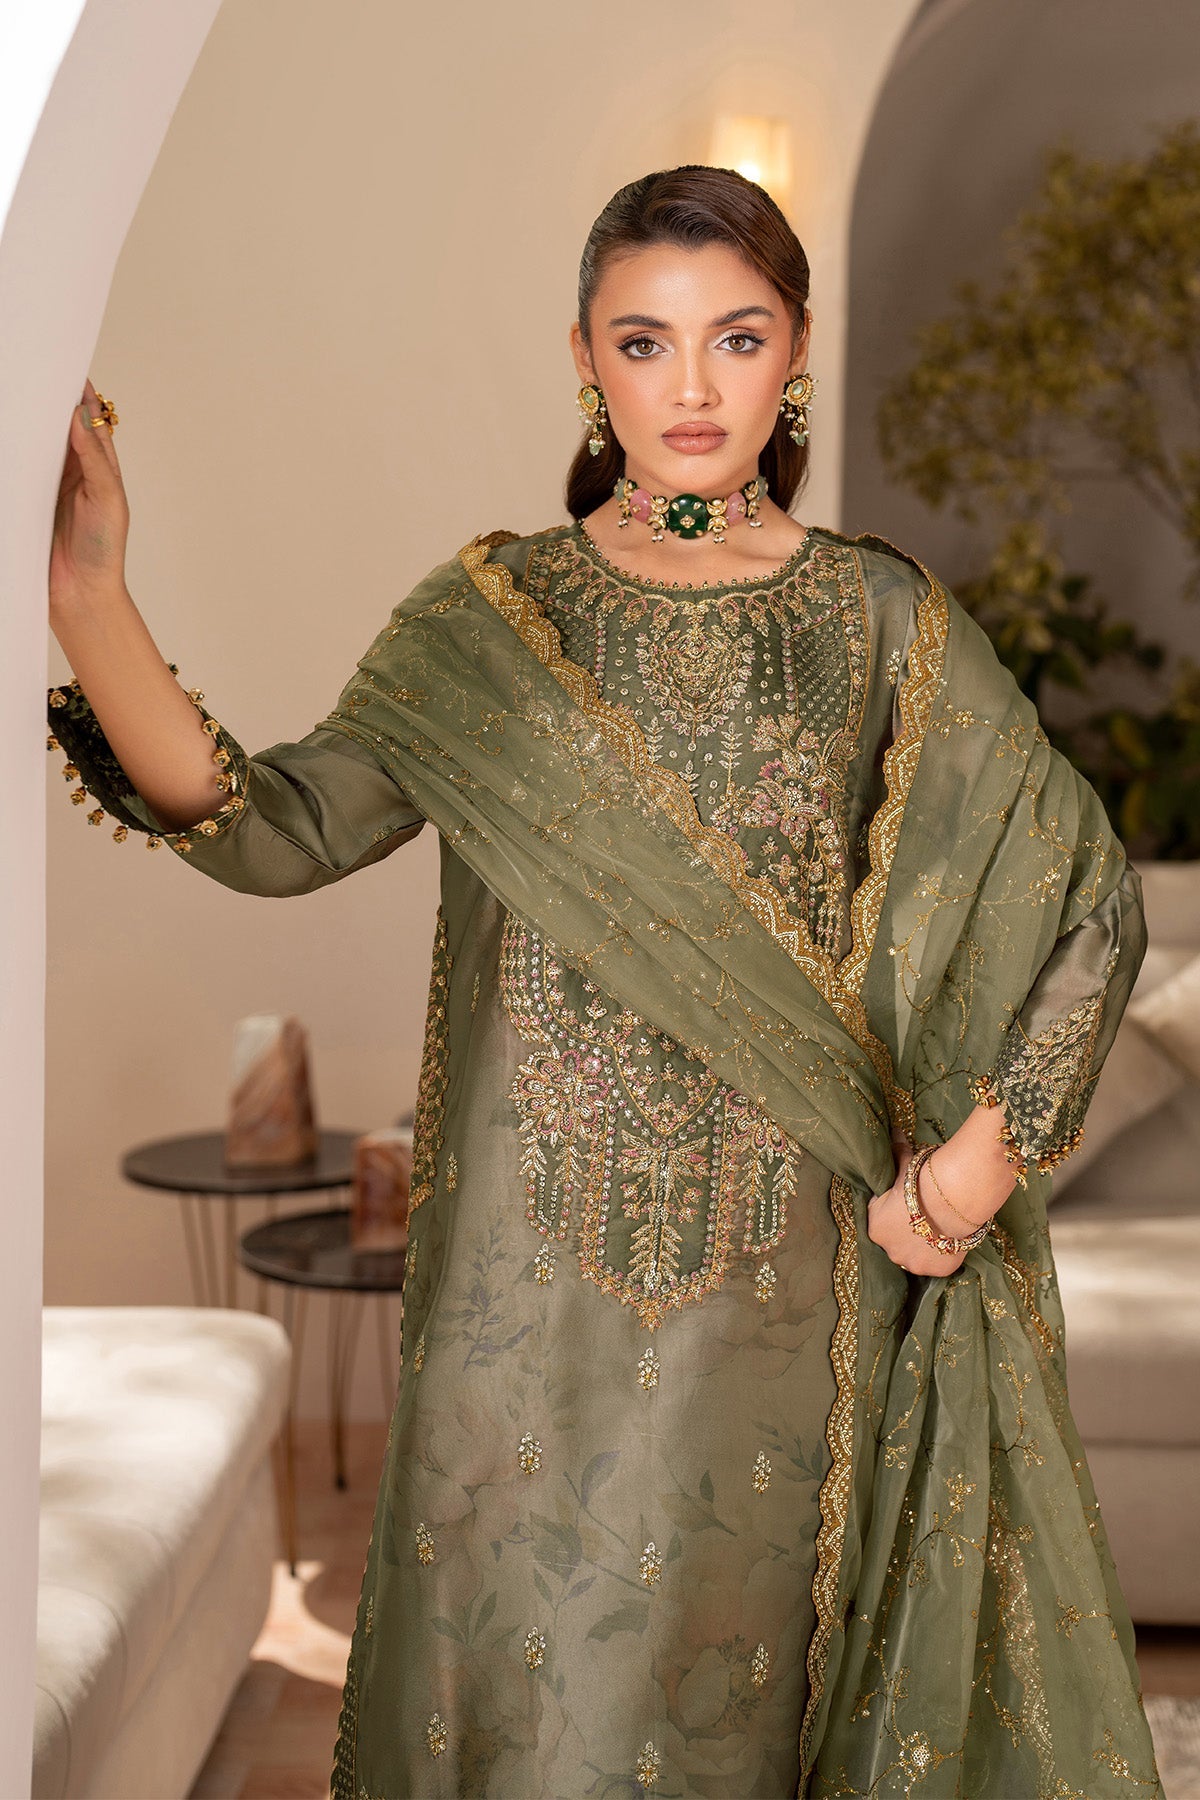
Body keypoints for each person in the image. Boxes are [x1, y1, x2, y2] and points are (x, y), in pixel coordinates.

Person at [48, 166, 1163, 1799]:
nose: (693, 386)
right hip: (521, 1312)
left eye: (737, 338)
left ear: (796, 351)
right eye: (647, 342)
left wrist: (965, 1178)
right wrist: (89, 598)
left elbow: (1086, 904)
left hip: (800, 1302)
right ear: (585, 356)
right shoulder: (491, 626)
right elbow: (279, 830)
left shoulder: (883, 623)